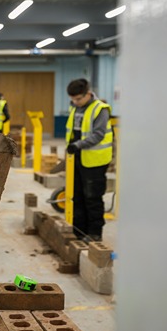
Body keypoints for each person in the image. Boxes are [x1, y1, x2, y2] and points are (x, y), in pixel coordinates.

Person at [65, 78, 113, 243]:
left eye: (78, 99)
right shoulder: (75, 108)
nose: (75, 102)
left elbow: (98, 135)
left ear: (88, 93)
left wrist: (78, 145)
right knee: (77, 195)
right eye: (72, 99)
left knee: (92, 197)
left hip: (95, 160)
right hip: (78, 157)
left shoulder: (100, 109)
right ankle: (79, 231)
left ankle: (94, 233)